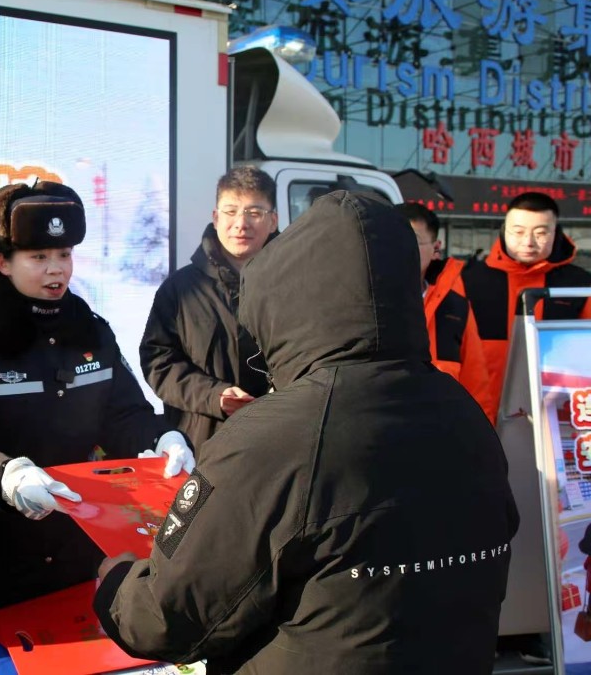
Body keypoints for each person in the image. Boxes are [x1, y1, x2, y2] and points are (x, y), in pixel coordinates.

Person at [94, 191, 519, 674]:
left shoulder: (276, 439)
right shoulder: (461, 412)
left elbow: (165, 618)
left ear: (285, 305)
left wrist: (117, 582)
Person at [0, 180, 195, 620]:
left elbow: (124, 415)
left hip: (84, 540)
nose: (56, 270)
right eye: (38, 257)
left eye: (64, 255)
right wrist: (6, 476)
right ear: (4, 263)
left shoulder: (93, 332)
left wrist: (163, 439)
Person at [139, 166, 275, 448]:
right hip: (202, 445)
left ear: (272, 220)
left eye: (254, 212)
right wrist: (214, 396)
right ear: (215, 218)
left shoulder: (296, 286)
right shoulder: (180, 289)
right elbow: (158, 363)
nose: (241, 223)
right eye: (231, 211)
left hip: (279, 440)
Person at [462, 191, 591, 419]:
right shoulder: (469, 281)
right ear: (504, 230)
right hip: (480, 413)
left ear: (556, 233)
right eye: (518, 232)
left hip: (555, 415)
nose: (528, 242)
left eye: (540, 233)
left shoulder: (579, 285)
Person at [396, 202, 495, 424]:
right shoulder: (360, 302)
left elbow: (475, 383)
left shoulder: (456, 308)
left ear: (436, 248)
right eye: (393, 239)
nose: (401, 248)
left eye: (414, 240)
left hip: (443, 431)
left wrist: (483, 437)